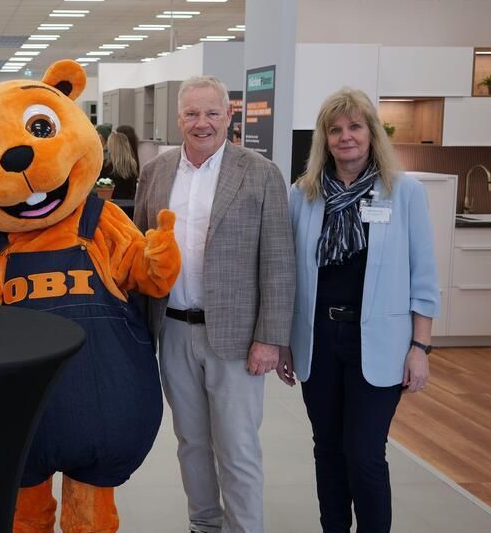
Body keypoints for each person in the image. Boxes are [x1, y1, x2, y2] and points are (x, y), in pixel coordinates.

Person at [133, 75, 294, 533]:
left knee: (237, 447)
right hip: (174, 330)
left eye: (211, 113)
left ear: (229, 117)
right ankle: (203, 524)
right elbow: (140, 254)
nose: (201, 123)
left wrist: (270, 338)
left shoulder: (260, 173)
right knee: (191, 443)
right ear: (178, 118)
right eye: (191, 113)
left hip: (239, 339)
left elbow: (280, 263)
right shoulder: (156, 173)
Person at [278, 87, 437, 533]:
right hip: (319, 342)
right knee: (327, 449)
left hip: (381, 345)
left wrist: (420, 346)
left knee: (365, 453)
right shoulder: (304, 195)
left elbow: (423, 277)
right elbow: (290, 274)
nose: (345, 137)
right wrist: (286, 340)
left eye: (354, 127)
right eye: (335, 129)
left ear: (371, 133)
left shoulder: (404, 193)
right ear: (323, 139)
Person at [100, 131, 139, 200]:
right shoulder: (132, 166)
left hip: (111, 206)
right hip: (129, 207)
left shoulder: (106, 166)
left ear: (112, 148)